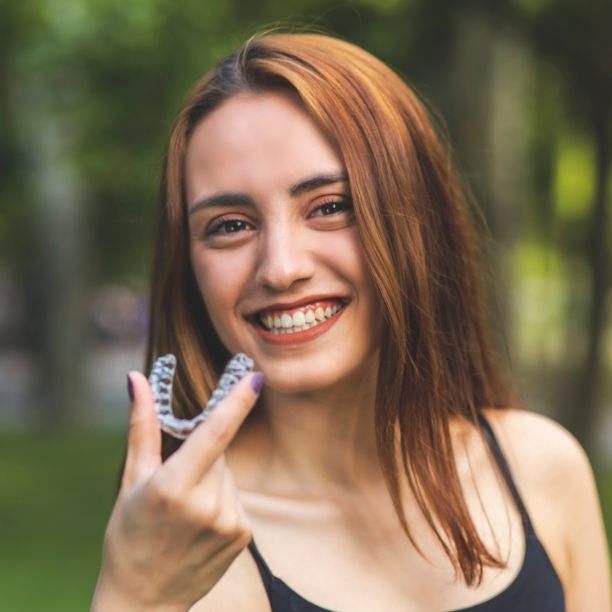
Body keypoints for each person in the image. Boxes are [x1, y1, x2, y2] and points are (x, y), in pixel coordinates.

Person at [91, 32, 611, 611]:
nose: (281, 268)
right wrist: (134, 595)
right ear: (187, 268)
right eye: (231, 225)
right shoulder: (196, 550)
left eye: (330, 207)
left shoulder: (543, 468)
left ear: (419, 221)